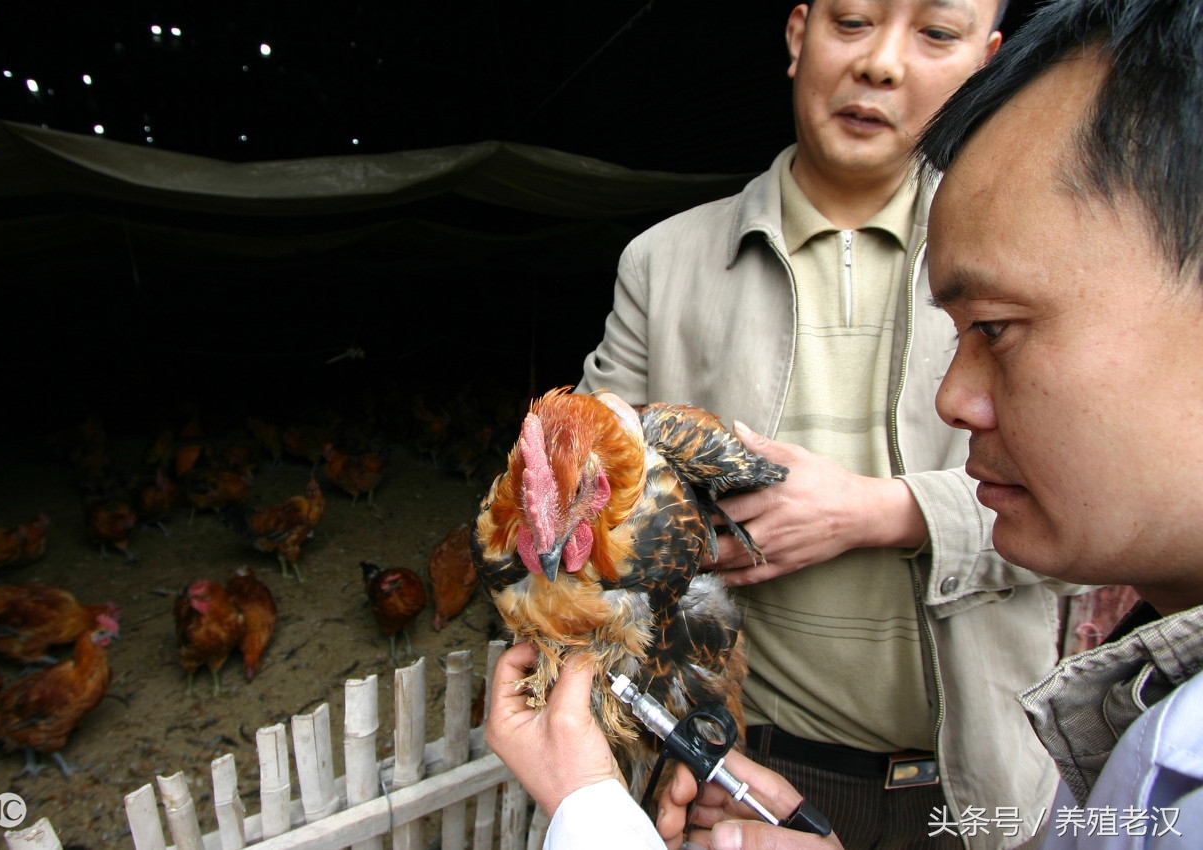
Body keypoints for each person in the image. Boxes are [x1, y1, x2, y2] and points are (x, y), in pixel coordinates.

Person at [486, 0, 1203, 846]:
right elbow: (584, 498)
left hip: (993, 768)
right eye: (854, 21)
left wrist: (881, 511)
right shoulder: (664, 263)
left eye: (936, 33)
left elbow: (1113, 525)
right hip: (760, 774)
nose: (883, 65)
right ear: (797, 34)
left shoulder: (1044, 245)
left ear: (992, 61)